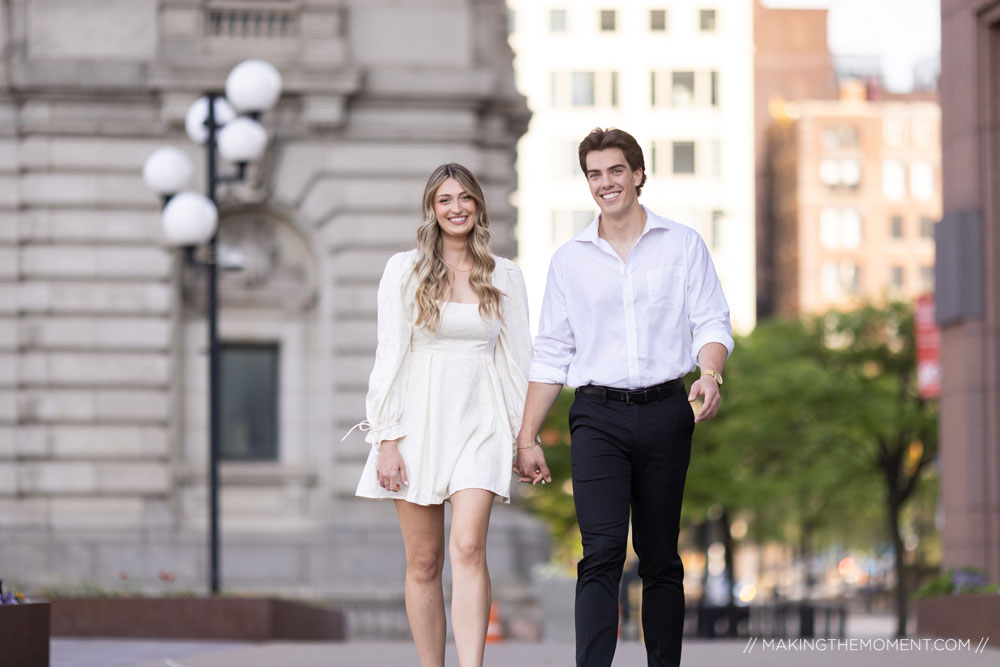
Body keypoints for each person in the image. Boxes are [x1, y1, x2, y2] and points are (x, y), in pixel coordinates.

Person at [514, 128, 733, 667]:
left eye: (615, 170)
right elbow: (552, 352)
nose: (605, 183)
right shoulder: (569, 260)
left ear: (637, 174)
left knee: (660, 557)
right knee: (601, 552)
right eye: (594, 174)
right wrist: (526, 437)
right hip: (597, 416)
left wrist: (709, 374)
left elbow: (711, 321)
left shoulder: (682, 244)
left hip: (666, 411)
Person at [350, 163, 532, 667]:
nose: (457, 208)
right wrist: (386, 438)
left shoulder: (505, 274)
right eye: (445, 199)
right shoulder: (403, 270)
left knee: (469, 547)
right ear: (432, 208)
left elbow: (518, 362)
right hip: (416, 425)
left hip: (482, 422)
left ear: (478, 205)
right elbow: (390, 355)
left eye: (465, 198)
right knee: (424, 561)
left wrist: (525, 438)